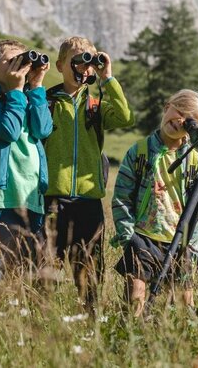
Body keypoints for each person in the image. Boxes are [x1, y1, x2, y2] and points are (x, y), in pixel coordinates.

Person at [43, 36, 135, 309]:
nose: (85, 67)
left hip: (88, 202)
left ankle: (90, 317)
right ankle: (41, 318)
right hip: (52, 199)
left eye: (90, 62)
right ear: (61, 65)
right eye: (78, 60)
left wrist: (108, 78)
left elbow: (124, 117)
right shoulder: (46, 103)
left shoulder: (94, 106)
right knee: (46, 269)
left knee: (90, 273)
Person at [110, 89, 198, 316]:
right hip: (143, 236)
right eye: (179, 111)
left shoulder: (196, 159)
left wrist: (192, 245)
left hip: (180, 240)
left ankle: (180, 341)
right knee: (135, 295)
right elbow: (121, 196)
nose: (180, 121)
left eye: (189, 121)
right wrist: (128, 236)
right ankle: (130, 339)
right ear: (167, 107)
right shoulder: (139, 151)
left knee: (185, 300)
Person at [0, 39, 52, 299]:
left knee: (31, 277)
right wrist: (17, 92)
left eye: (23, 60)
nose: (20, 66)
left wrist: (36, 87)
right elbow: (9, 131)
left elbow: (43, 129)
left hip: (32, 200)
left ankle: (19, 328)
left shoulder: (27, 98)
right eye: (12, 61)